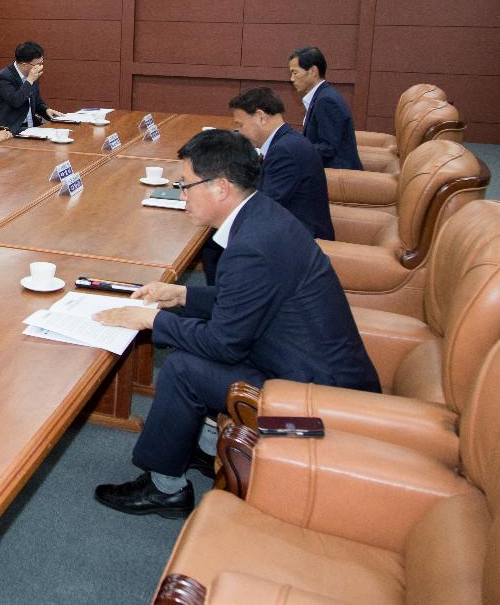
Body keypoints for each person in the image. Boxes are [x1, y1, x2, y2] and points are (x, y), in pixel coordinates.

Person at [92, 130, 379, 519]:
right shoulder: (262, 217)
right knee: (189, 351)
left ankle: (165, 489)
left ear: (221, 188)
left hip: (314, 414)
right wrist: (184, 296)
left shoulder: (251, 247)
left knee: (183, 367)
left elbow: (224, 344)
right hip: (304, 371)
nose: (181, 195)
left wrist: (152, 320)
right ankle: (208, 449)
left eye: (185, 185)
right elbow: (246, 302)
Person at [229, 87, 334, 240]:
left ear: (261, 117)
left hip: (302, 240)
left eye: (241, 125)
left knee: (216, 241)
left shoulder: (284, 152)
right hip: (294, 227)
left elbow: (264, 208)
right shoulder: (287, 140)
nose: (241, 132)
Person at [287, 46, 362, 170]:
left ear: (313, 71)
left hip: (337, 175)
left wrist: (294, 151)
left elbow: (328, 148)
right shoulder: (322, 96)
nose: (292, 79)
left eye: (295, 73)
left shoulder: (326, 101)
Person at [0, 41, 65, 133]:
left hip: (31, 126)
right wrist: (30, 80)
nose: (40, 67)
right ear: (24, 64)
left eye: (41, 63)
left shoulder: (32, 74)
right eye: (37, 64)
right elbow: (16, 101)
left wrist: (46, 110)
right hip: (11, 129)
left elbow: (37, 102)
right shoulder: (4, 77)